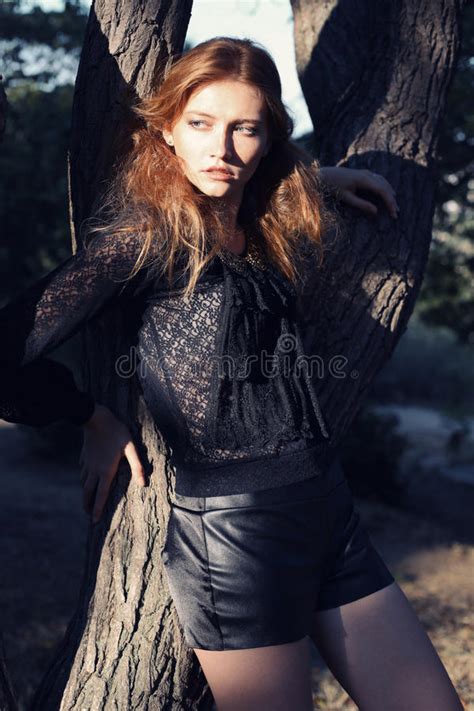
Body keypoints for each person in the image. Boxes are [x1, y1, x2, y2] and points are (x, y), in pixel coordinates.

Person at [0, 36, 463, 711]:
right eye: (201, 124)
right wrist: (89, 415)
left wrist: (322, 177)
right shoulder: (146, 239)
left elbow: (265, 178)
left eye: (246, 128)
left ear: (269, 138)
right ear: (166, 131)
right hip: (235, 542)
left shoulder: (259, 216)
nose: (222, 148)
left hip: (327, 510)